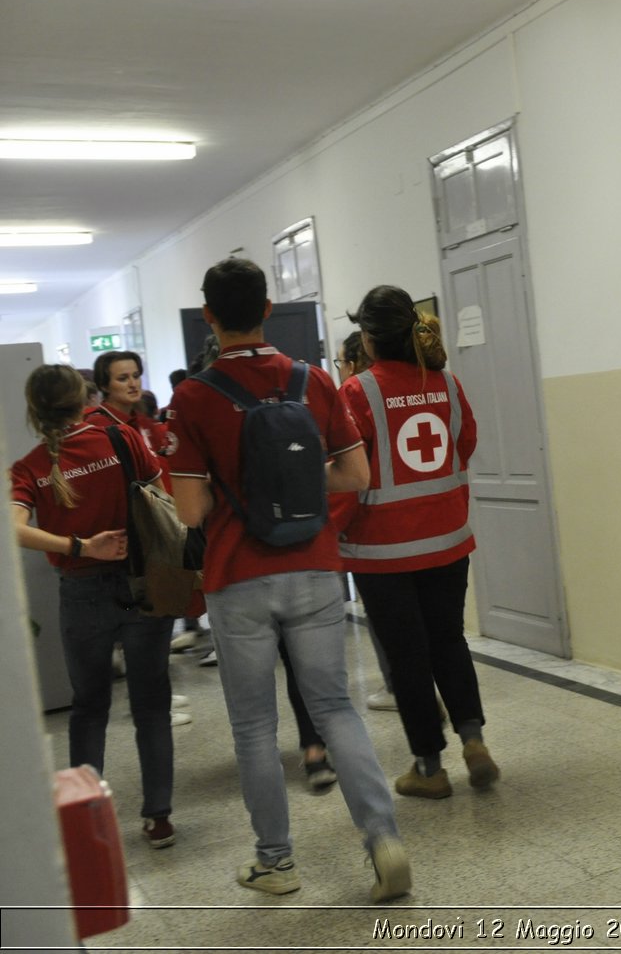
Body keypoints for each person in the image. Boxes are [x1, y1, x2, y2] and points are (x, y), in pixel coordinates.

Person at [167, 258, 409, 901]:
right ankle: (384, 839)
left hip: (236, 576)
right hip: (315, 567)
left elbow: (190, 512)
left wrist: (238, 494)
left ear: (210, 317)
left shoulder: (192, 397)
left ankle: (276, 862)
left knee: (253, 727)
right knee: (334, 708)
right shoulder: (314, 380)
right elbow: (355, 476)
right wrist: (297, 487)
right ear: (268, 308)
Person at [9, 365, 178, 849]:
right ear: (84, 398)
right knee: (151, 705)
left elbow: (12, 528)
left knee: (88, 708)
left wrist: (79, 546)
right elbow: (160, 496)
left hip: (80, 592)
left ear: (35, 410)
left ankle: (85, 820)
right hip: (143, 584)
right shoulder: (122, 437)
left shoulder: (30, 466)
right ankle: (158, 818)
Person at [339, 286, 494, 798]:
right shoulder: (446, 383)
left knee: (407, 657)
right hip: (447, 540)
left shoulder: (358, 392)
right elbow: (465, 444)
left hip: (383, 552)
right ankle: (474, 740)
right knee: (449, 640)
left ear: (367, 337)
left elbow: (349, 473)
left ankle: (429, 768)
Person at [331, 330, 397, 711]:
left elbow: (347, 478)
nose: (340, 371)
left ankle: (396, 688)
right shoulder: (408, 387)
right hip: (419, 527)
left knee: (384, 619)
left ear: (353, 364)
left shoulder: (353, 396)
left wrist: (331, 528)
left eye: (340, 362)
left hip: (371, 532)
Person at [89, 351, 174, 458]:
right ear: (104, 386)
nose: (133, 384)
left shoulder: (141, 419)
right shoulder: (98, 427)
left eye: (136, 376)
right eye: (122, 379)